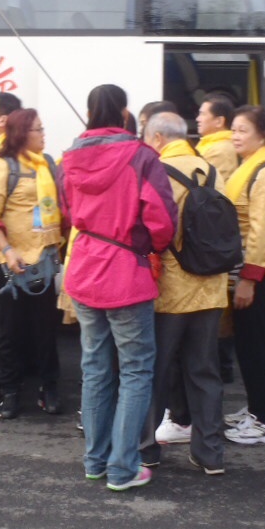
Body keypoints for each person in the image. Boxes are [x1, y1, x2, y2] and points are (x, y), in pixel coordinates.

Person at [63, 84, 177, 491]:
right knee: (135, 369)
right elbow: (162, 220)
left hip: (85, 269)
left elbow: (69, 212)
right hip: (126, 272)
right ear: (124, 113)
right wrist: (149, 245)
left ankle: (95, 461)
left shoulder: (70, 158)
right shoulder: (141, 156)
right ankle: (124, 466)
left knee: (94, 368)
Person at [138, 112, 228, 475]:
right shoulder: (212, 170)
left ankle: (146, 449)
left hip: (170, 291)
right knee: (205, 371)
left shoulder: (156, 170)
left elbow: (152, 229)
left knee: (155, 370)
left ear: (158, 137)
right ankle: (210, 455)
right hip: (211, 288)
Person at [0, 107, 65, 420]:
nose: (43, 135)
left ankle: (49, 386)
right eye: (38, 130)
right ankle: (10, 391)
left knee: (45, 330)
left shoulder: (48, 164)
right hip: (10, 263)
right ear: (21, 134)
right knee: (10, 331)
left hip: (43, 260)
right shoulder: (1, 166)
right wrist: (7, 250)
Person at [223, 105, 265, 446]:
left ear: (263, 135)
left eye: (243, 130)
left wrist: (248, 279)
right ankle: (255, 409)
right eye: (233, 129)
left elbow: (264, 232)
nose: (235, 135)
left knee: (253, 346)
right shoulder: (248, 167)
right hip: (247, 268)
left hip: (258, 271)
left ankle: (264, 421)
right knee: (247, 345)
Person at [196, 93, 239, 182]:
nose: (198, 119)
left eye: (203, 114)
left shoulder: (221, 151)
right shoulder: (210, 144)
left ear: (219, 121)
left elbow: (206, 186)